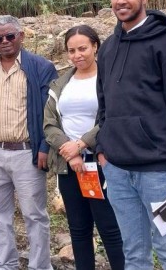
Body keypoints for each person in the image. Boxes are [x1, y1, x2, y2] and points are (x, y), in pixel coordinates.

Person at [96, 0, 166, 270]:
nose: (121, 0)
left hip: (160, 175)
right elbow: (103, 104)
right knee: (134, 253)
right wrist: (103, 148)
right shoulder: (108, 48)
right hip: (117, 173)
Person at [0, 15, 58, 270]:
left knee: (34, 215)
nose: (4, 41)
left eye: (10, 36)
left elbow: (50, 113)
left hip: (27, 153)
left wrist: (44, 148)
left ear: (21, 36)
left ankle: (40, 266)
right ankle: (6, 264)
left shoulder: (40, 67)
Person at [43, 25, 124, 270]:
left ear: (95, 47)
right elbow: (49, 123)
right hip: (68, 165)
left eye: (82, 48)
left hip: (101, 162)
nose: (77, 55)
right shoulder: (61, 83)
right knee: (78, 229)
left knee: (110, 228)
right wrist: (69, 150)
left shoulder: (109, 79)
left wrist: (81, 144)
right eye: (71, 50)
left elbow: (110, 117)